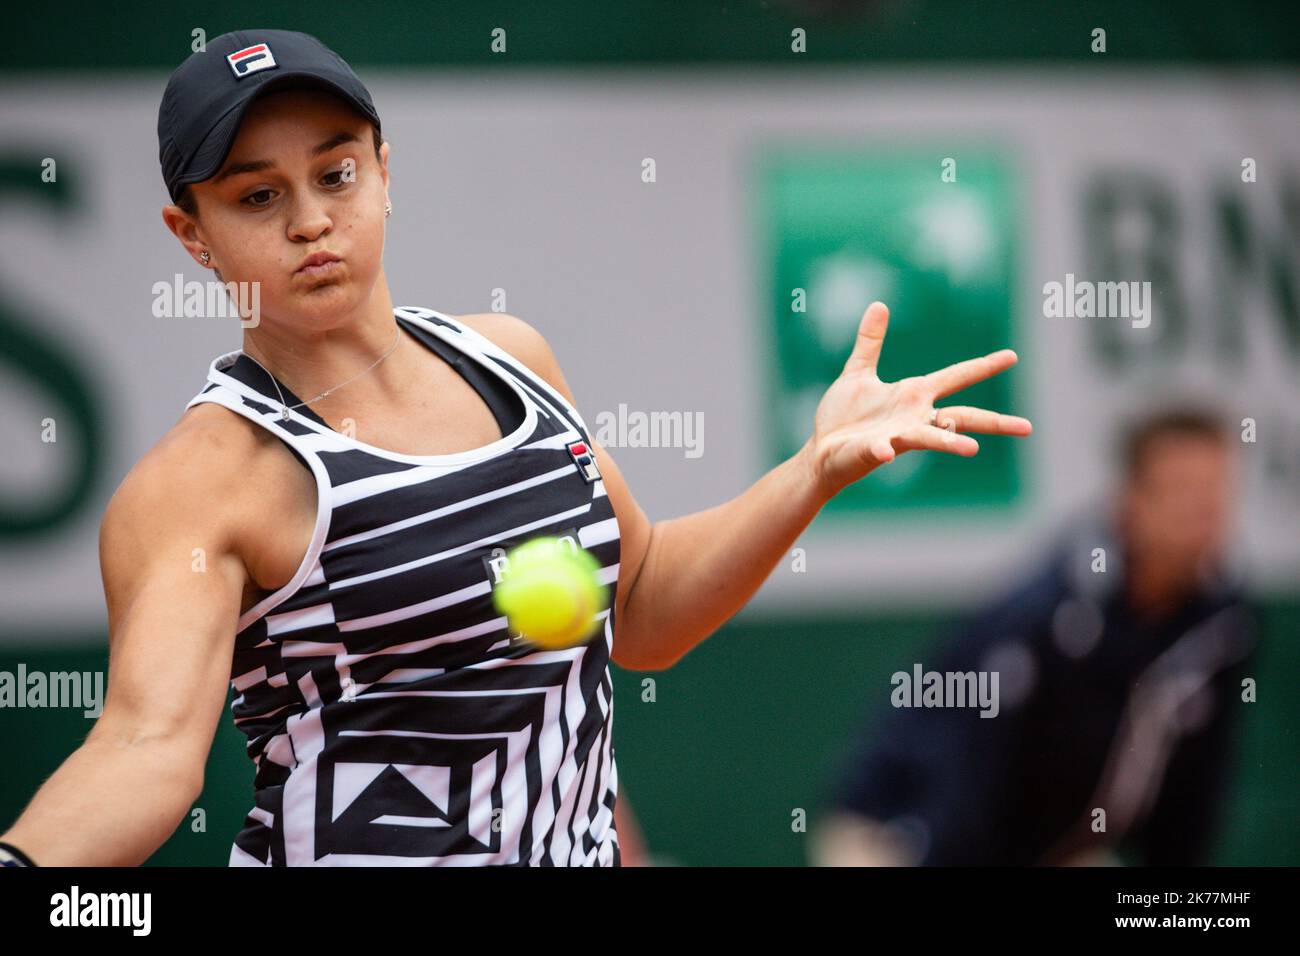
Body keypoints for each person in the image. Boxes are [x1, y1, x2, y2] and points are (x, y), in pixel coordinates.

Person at [0, 29, 1031, 867]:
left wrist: (809, 474)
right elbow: (142, 749)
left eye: (336, 173)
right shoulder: (198, 484)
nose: (313, 221)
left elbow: (642, 609)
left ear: (384, 172)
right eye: (259, 196)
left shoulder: (512, 358)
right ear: (193, 235)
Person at [812, 408, 1256, 867]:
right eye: (1183, 490)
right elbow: (968, 783)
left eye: (1216, 489)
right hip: (898, 827)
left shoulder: (1224, 624)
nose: (1204, 509)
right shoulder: (1050, 613)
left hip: (1053, 845)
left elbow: (1195, 792)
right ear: (1132, 500)